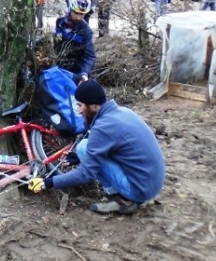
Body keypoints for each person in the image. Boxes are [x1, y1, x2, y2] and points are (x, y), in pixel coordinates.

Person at [28, 80, 166, 215]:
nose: (78, 110)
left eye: (80, 105)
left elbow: (86, 174)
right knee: (83, 148)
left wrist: (48, 182)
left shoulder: (103, 127)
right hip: (151, 182)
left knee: (83, 149)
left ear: (94, 106)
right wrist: (78, 157)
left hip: (140, 190)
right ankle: (122, 194)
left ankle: (123, 200)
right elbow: (113, 146)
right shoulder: (121, 112)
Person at [53, 0, 96, 83]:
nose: (79, 17)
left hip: (74, 72)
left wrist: (84, 73)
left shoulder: (86, 31)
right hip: (56, 67)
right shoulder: (59, 23)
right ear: (70, 9)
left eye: (82, 14)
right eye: (76, 13)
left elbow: (90, 56)